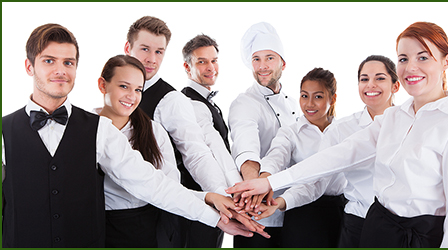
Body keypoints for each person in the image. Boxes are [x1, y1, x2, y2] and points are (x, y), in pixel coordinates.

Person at [1, 23, 265, 248]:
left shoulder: (99, 129)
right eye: (49, 61)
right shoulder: (4, 130)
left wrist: (213, 213)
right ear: (29, 66)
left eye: (68, 62)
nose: (61, 71)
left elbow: (152, 183)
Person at [226, 21, 448, 248]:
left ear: (446, 61)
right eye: (403, 59)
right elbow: (336, 157)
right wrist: (268, 181)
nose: (411, 68)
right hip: (377, 228)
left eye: (423, 57)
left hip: (423, 236)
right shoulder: (393, 118)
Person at [123, 16, 239, 247]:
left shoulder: (172, 100)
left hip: (160, 215)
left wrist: (220, 196)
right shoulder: (114, 91)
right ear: (128, 48)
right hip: (117, 216)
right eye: (145, 49)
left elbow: (197, 153)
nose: (151, 59)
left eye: (159, 52)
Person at [250, 67, 347, 247]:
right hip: (302, 212)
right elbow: (276, 157)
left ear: (332, 98)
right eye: (304, 96)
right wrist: (265, 180)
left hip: (339, 212)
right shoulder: (290, 133)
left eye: (318, 96)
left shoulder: (345, 132)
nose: (309, 104)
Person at [228, 22, 300, 247]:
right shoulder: (245, 103)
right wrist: (254, 188)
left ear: (283, 63)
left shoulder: (294, 104)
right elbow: (246, 150)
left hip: (291, 209)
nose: (262, 66)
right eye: (256, 59)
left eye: (269, 58)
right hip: (257, 215)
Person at [320, 55, 400, 247]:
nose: (370, 85)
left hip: (400, 227)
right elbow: (317, 175)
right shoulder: (341, 129)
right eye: (364, 79)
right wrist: (281, 199)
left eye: (380, 78)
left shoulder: (412, 124)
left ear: (395, 86)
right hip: (358, 225)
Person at [180, 34, 243, 247]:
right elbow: (213, 154)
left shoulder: (207, 101)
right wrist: (235, 194)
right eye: (202, 61)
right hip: (202, 202)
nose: (210, 67)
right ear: (187, 68)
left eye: (214, 60)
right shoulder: (191, 103)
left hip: (213, 201)